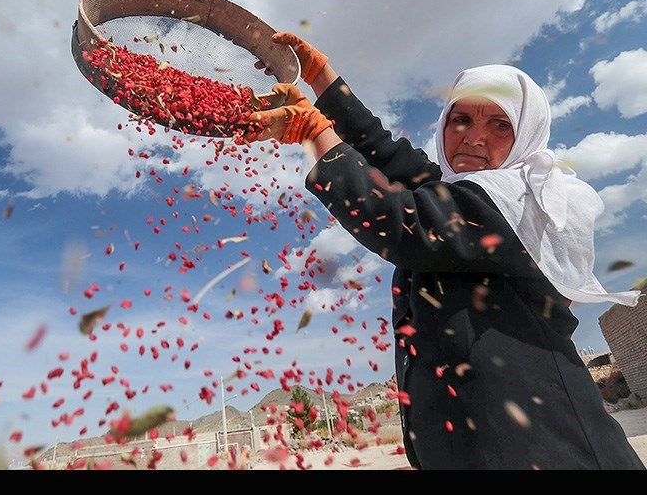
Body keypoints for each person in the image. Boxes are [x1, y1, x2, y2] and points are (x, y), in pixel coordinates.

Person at [248, 33, 645, 470]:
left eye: (500, 124)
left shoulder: (521, 204)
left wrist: (313, 132)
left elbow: (398, 222)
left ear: (528, 134)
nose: (474, 138)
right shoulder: (462, 191)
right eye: (461, 120)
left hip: (550, 450)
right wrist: (319, 74)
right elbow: (384, 150)